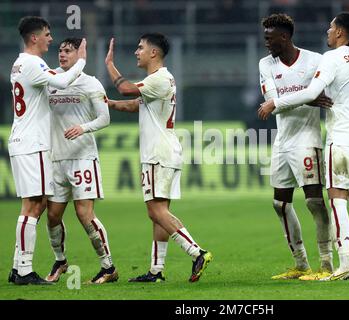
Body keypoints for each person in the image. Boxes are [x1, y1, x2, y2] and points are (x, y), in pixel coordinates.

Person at [259, 12, 349, 281]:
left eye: (331, 28)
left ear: (340, 32)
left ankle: (337, 264)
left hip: (337, 139)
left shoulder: (326, 58)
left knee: (334, 201)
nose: (327, 32)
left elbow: (314, 94)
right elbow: (348, 101)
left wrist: (277, 103)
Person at [105, 33, 212, 283]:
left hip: (158, 153)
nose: (136, 51)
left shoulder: (159, 78)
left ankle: (197, 252)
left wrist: (109, 65)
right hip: (166, 151)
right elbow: (134, 104)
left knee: (155, 210)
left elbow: (125, 87)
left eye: (140, 47)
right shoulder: (158, 81)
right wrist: (109, 103)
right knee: (159, 212)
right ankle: (156, 270)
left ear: (154, 53)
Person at [8, 16, 87, 285]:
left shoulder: (21, 63)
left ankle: (17, 265)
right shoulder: (32, 63)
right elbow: (63, 82)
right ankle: (23, 270)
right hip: (33, 144)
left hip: (24, 141)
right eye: (47, 34)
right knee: (33, 205)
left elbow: (53, 79)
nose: (51, 39)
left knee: (35, 204)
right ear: (34, 38)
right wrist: (82, 62)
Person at [258, 13, 334, 281]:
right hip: (283, 142)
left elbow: (320, 96)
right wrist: (307, 97)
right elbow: (272, 99)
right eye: (264, 37)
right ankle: (301, 263)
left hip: (307, 139)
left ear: (285, 37)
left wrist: (283, 102)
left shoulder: (315, 60)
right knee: (280, 204)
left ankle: (326, 264)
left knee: (314, 201)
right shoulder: (265, 64)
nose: (266, 42)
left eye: (270, 38)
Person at [44, 38, 118, 284]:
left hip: (82, 158)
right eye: (60, 50)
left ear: (80, 54)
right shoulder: (51, 81)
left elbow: (104, 118)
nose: (62, 54)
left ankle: (108, 267)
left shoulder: (91, 83)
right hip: (56, 158)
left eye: (68, 51)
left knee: (84, 214)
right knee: (52, 216)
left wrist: (83, 128)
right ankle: (60, 260)